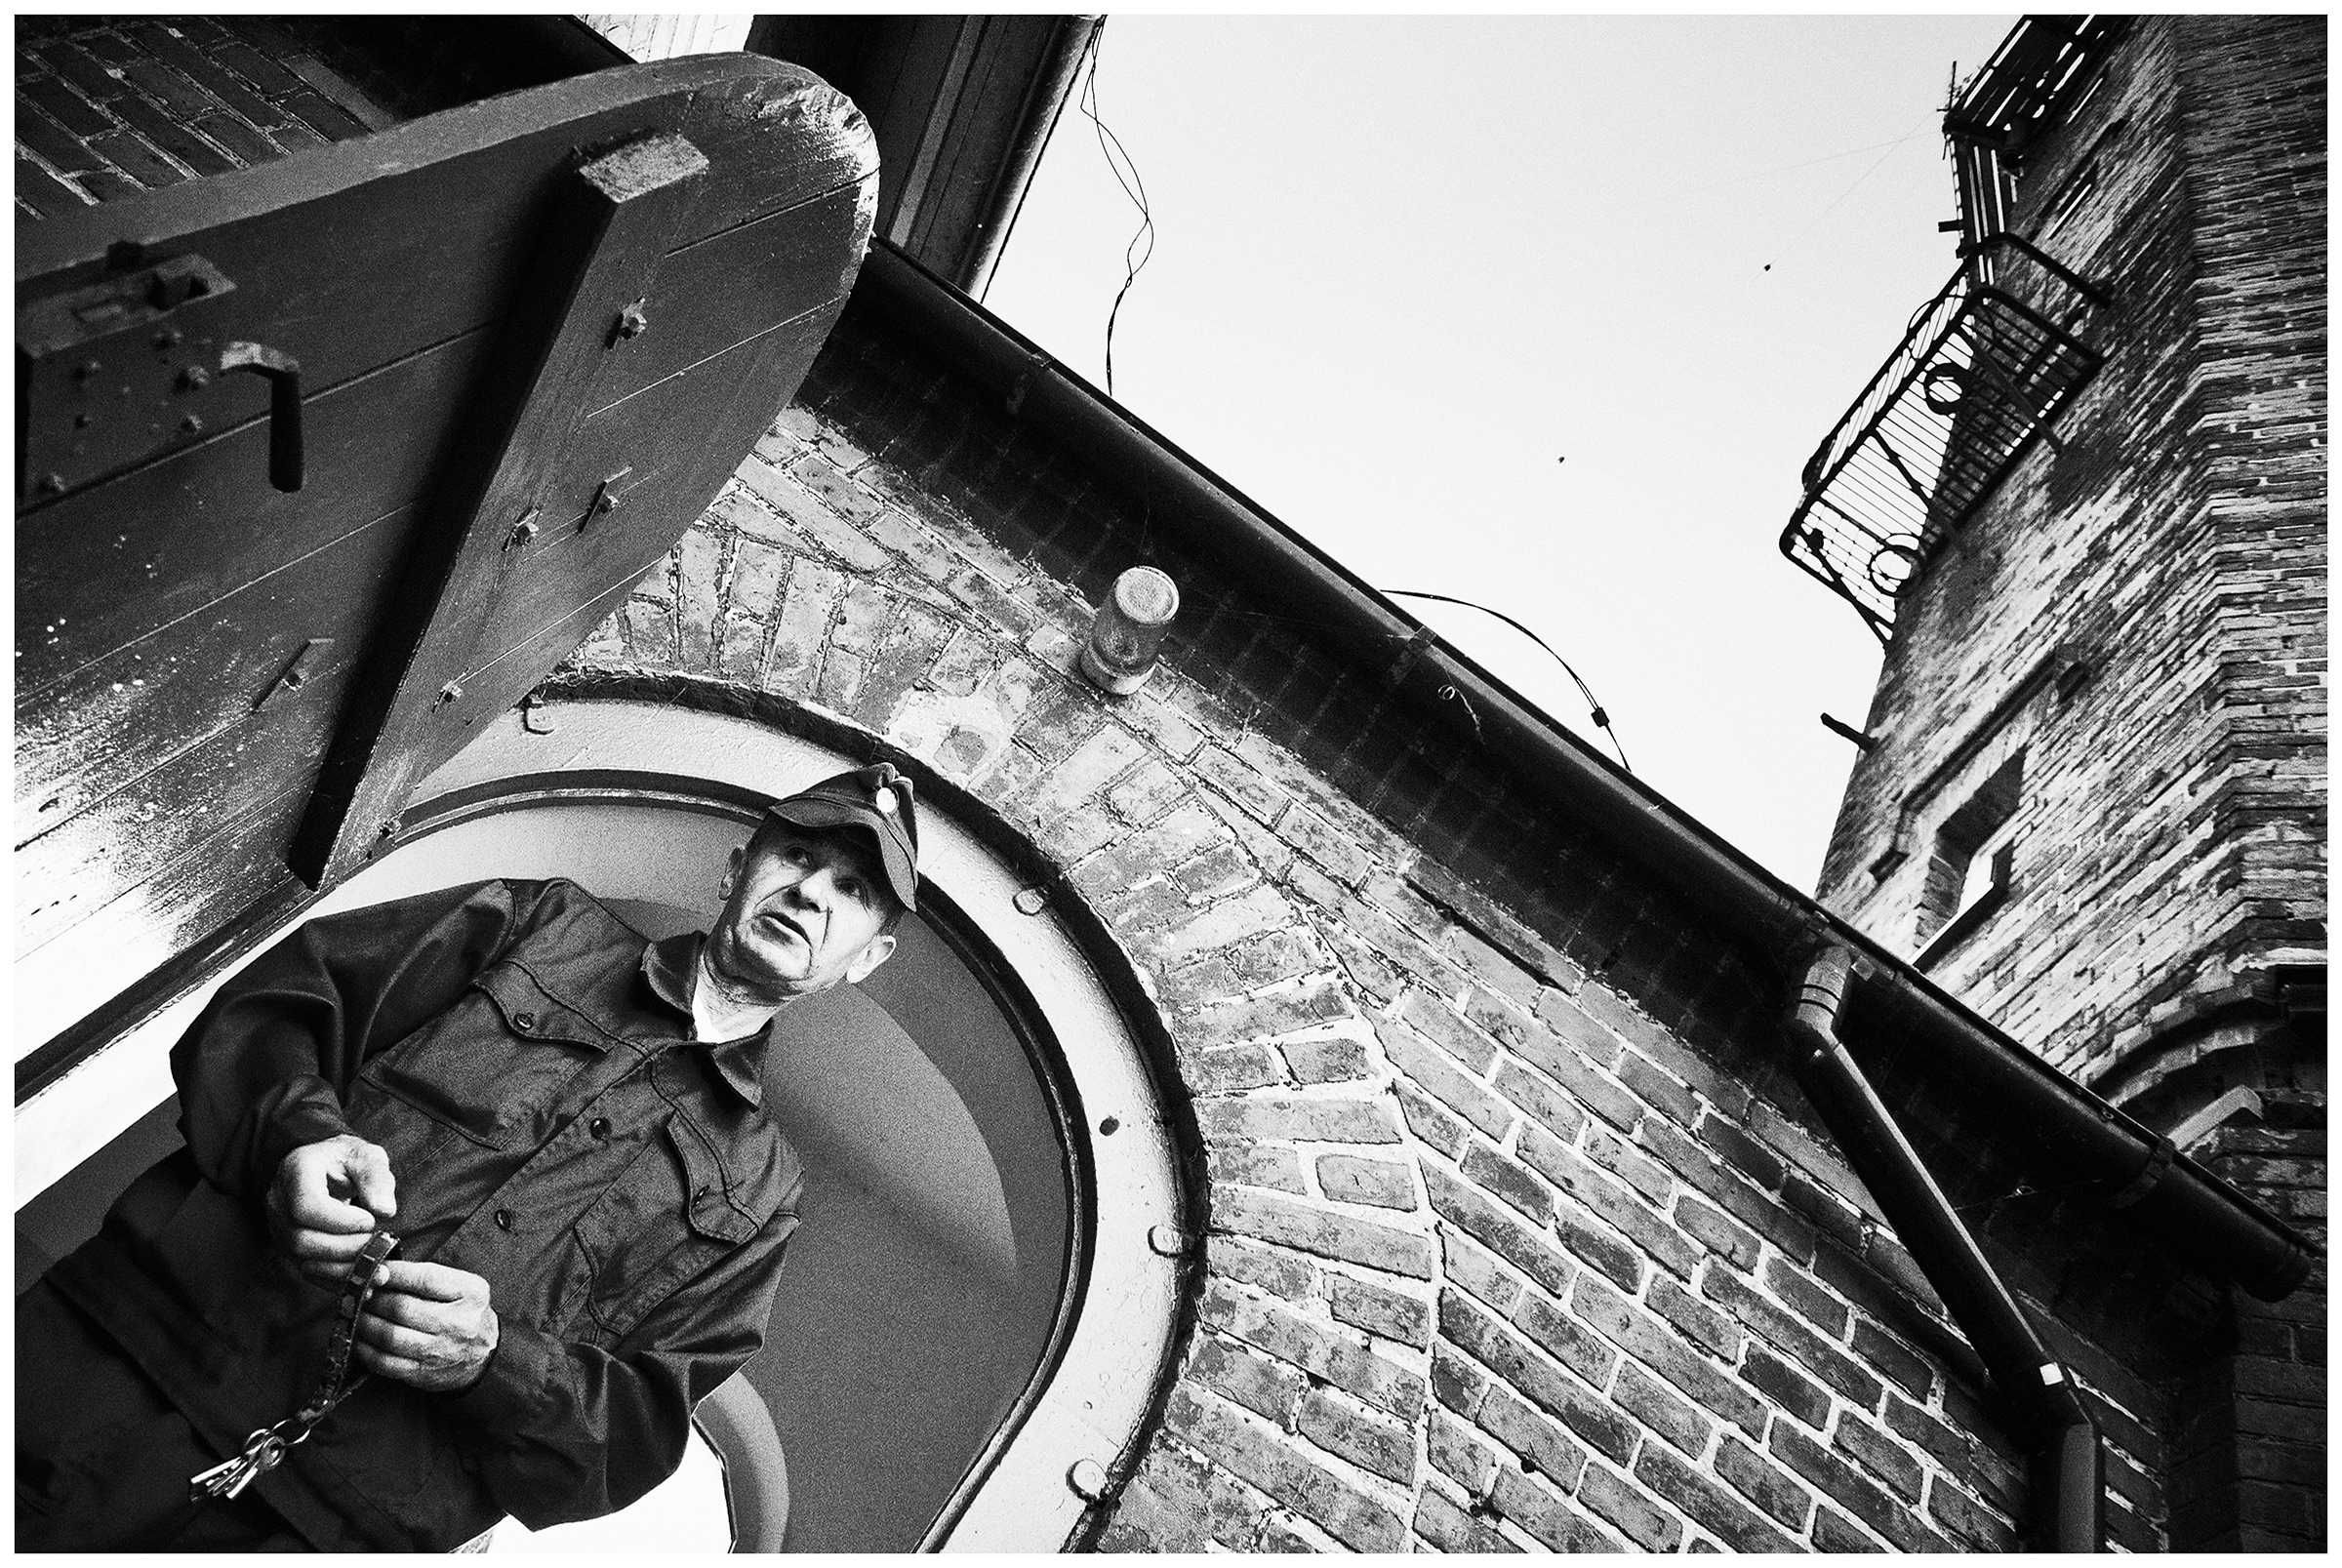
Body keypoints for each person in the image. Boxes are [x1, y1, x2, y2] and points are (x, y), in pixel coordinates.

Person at [17, 763, 920, 1551]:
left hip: (332, 1531)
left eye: (850, 891)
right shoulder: (537, 924)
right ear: (736, 869)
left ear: (865, 958)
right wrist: (297, 1140)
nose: (811, 892)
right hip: (113, 1361)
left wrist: (495, 1362)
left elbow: (636, 1434)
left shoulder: (764, 1193)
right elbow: (284, 1001)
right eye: (797, 857)